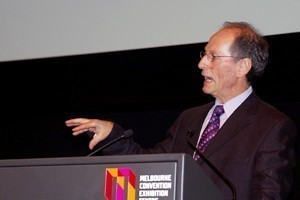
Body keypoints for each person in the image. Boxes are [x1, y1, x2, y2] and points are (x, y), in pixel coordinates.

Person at [65, 22, 297, 199]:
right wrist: (113, 136)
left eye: (212, 56)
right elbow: (155, 167)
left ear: (243, 66)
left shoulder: (272, 126)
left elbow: (267, 195)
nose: (201, 64)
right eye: (204, 54)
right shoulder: (191, 118)